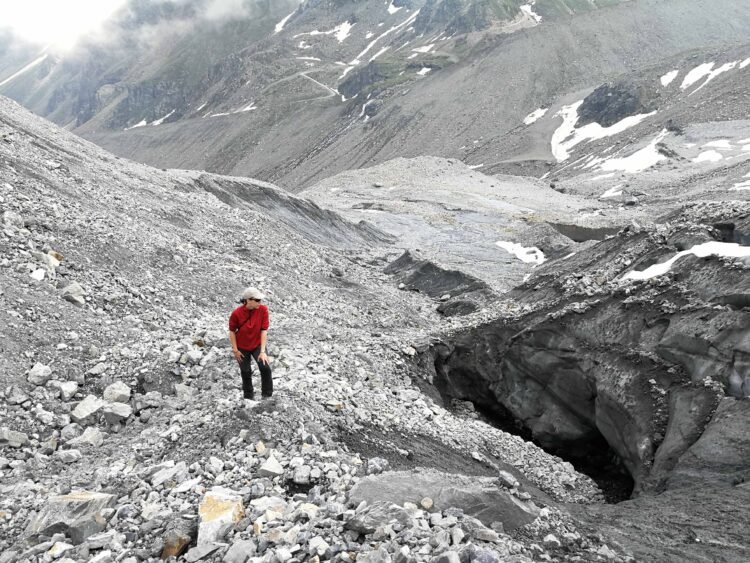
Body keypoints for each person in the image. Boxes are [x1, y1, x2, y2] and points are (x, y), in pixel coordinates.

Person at [228, 287, 272, 401]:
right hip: (242, 346)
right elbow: (232, 331)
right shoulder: (236, 313)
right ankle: (248, 397)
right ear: (248, 300)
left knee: (265, 367)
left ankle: (267, 395)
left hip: (257, 344)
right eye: (257, 300)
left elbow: (264, 330)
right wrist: (235, 350)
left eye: (260, 300)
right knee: (245, 371)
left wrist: (263, 351)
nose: (260, 303)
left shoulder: (263, 310)